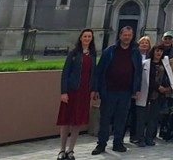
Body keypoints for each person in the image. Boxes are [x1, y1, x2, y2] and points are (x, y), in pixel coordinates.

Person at [91, 27, 142, 155]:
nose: (127, 37)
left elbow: (138, 72)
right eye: (125, 35)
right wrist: (96, 88)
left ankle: (118, 143)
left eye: (129, 35)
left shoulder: (135, 52)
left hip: (126, 91)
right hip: (109, 90)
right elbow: (99, 70)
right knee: (105, 119)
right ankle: (101, 144)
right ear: (120, 35)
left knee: (122, 119)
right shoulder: (109, 51)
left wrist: (137, 89)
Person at [57, 29, 97, 160]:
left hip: (84, 93)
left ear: (91, 39)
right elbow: (65, 73)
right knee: (66, 121)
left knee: (77, 122)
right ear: (80, 38)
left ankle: (71, 150)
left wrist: (92, 90)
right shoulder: (73, 53)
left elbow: (93, 74)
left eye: (89, 36)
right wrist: (64, 92)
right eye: (85, 36)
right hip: (71, 92)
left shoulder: (92, 55)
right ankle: (62, 150)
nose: (87, 38)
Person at [134, 44, 173, 147]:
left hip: (159, 95)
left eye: (161, 51)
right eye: (157, 51)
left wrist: (167, 87)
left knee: (154, 117)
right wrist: (157, 86)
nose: (159, 53)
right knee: (141, 117)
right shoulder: (146, 63)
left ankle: (149, 138)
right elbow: (146, 79)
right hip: (146, 92)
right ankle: (140, 138)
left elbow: (168, 77)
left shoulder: (165, 64)